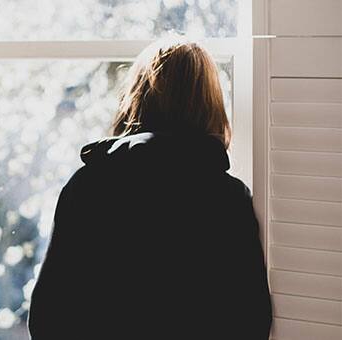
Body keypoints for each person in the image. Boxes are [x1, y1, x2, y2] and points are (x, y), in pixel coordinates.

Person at [27, 39, 273, 339]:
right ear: (210, 105)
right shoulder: (228, 198)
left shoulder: (88, 186)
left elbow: (47, 317)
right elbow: (251, 319)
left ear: (137, 97)